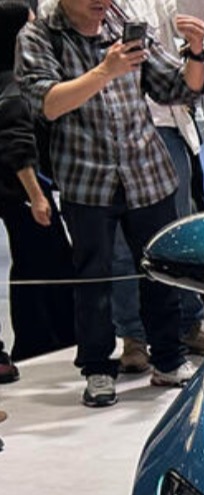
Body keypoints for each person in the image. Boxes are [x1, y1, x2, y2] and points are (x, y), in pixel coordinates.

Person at [16, 0, 204, 408]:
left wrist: (196, 53)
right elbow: (46, 103)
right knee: (94, 279)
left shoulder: (125, 26)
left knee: (161, 272)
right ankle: (98, 368)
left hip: (146, 171)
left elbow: (178, 88)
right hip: (86, 177)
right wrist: (105, 71)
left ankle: (169, 358)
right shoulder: (40, 35)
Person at [111, 0, 204, 372]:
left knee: (178, 233)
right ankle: (133, 336)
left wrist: (194, 41)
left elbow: (190, 28)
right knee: (121, 247)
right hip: (111, 133)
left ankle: (188, 324)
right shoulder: (63, 9)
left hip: (167, 123)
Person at [0, 0, 54, 384]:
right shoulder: (13, 87)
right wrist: (37, 195)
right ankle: (42, 341)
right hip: (19, 191)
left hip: (14, 191)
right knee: (43, 262)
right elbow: (18, 146)